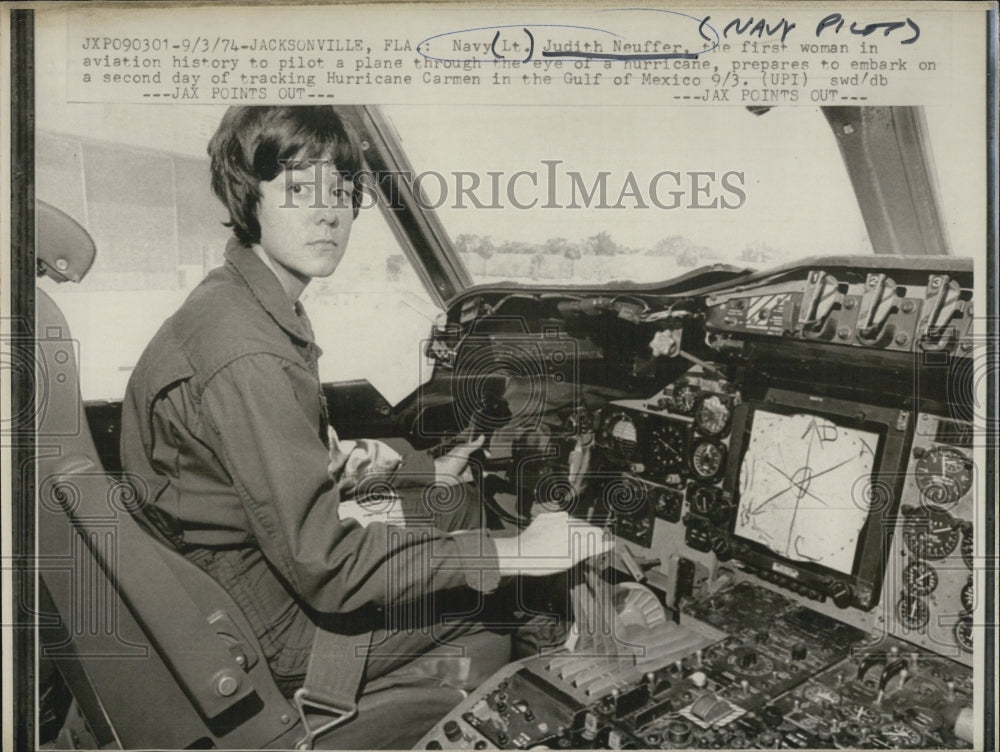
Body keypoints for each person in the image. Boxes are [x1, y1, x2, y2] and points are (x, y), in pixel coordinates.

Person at [120, 106, 608, 719]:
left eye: (343, 191)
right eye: (300, 189)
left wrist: (427, 470)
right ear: (249, 197)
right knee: (514, 580)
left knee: (457, 501)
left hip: (231, 578)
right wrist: (517, 553)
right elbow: (329, 568)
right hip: (273, 623)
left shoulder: (246, 303)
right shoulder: (246, 351)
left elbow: (294, 466)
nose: (330, 212)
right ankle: (566, 702)